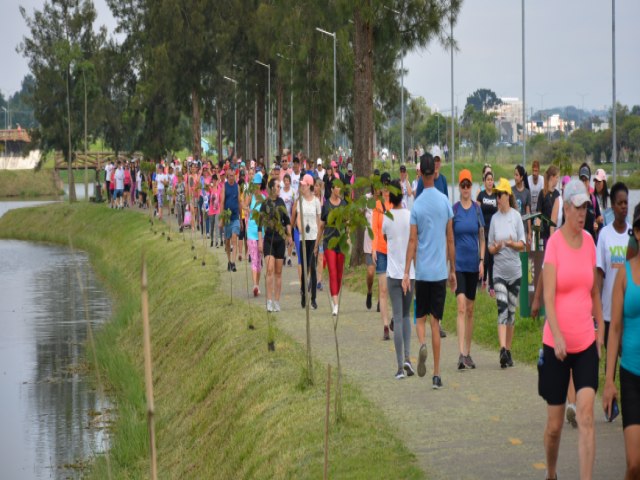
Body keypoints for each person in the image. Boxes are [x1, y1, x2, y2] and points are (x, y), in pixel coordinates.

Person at [539, 179, 605, 480]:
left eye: (585, 207)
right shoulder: (554, 245)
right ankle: (551, 472)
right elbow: (549, 299)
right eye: (577, 207)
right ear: (565, 208)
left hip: (585, 345)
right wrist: (559, 335)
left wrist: (601, 331)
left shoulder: (591, 243)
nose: (583, 214)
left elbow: (594, 292)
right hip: (557, 345)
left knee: (586, 415)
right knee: (554, 428)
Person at [403, 153, 455, 390]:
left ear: (419, 174)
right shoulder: (445, 201)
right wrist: (452, 269)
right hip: (439, 273)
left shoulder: (418, 204)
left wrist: (406, 271)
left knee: (420, 319)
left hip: (422, 271)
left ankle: (421, 344)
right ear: (434, 172)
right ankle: (436, 374)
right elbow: (450, 238)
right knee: (437, 322)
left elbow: (412, 240)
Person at [602, 206, 640, 480]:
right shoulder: (625, 275)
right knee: (634, 464)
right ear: (637, 232)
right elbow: (614, 330)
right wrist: (609, 381)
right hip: (630, 376)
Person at [488, 178, 525, 368]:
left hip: (515, 272)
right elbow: (490, 247)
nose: (497, 199)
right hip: (499, 272)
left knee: (511, 312)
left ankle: (508, 350)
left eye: (499, 195)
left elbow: (522, 244)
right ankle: (502, 349)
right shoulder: (494, 219)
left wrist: (511, 244)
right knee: (501, 309)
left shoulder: (516, 217)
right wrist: (494, 248)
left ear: (507, 196)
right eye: (495, 195)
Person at [596, 182, 630, 379]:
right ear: (612, 205)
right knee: (611, 363)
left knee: (628, 359)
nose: (624, 206)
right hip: (608, 312)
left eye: (626, 202)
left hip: (629, 312)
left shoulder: (633, 236)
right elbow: (599, 274)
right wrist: (597, 309)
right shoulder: (604, 235)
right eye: (620, 203)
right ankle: (610, 403)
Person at [383, 179, 416, 379]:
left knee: (397, 315)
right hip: (409, 274)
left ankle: (398, 367)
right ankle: (407, 358)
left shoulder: (387, 218)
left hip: (393, 274)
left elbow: (386, 238)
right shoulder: (410, 216)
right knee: (405, 316)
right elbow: (414, 241)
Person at [453, 169, 485, 369]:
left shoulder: (476, 209)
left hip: (473, 264)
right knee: (461, 306)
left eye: (468, 185)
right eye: (463, 186)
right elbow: (449, 237)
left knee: (471, 309)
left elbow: (482, 235)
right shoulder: (454, 209)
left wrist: (482, 260)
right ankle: (461, 354)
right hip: (458, 264)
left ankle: (468, 351)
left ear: (471, 187)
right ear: (459, 187)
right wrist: (449, 264)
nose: (466, 189)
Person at [258, 177, 292, 312]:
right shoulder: (265, 203)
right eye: (278, 186)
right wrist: (260, 241)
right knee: (270, 269)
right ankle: (269, 301)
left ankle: (277, 301)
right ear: (271, 188)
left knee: (278, 272)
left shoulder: (281, 202)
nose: (279, 188)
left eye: (280, 186)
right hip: (268, 240)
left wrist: (289, 236)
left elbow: (287, 221)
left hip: (280, 240)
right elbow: (260, 225)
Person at [318, 179, 347, 316]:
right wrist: (318, 242)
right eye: (337, 187)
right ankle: (335, 303)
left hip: (341, 243)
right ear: (332, 189)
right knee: (333, 272)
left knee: (340, 273)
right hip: (329, 242)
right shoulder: (326, 206)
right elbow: (321, 226)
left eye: (340, 187)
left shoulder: (344, 204)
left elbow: (348, 223)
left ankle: (335, 294)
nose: (339, 190)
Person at [372, 172, 393, 340]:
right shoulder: (377, 205)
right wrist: (373, 249)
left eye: (388, 185)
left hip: (394, 251)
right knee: (383, 289)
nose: (386, 189)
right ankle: (385, 325)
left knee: (395, 289)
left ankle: (394, 318)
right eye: (383, 186)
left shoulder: (395, 204)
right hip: (381, 250)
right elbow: (374, 229)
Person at [297, 174, 322, 310]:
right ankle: (303, 293)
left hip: (313, 238)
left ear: (309, 185)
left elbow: (318, 221)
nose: (302, 187)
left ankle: (313, 298)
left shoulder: (316, 202)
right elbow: (298, 219)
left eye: (304, 185)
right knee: (304, 267)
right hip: (303, 238)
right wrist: (301, 229)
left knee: (312, 266)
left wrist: (318, 239)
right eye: (301, 185)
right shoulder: (300, 201)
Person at [477, 171, 498, 296]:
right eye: (487, 179)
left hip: (493, 231)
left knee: (492, 258)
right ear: (484, 182)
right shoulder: (481, 195)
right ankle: (482, 280)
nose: (489, 181)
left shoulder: (496, 195)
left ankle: (492, 285)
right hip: (483, 230)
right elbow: (477, 212)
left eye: (491, 179)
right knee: (483, 257)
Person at [246, 172, 264, 296]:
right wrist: (248, 210)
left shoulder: (263, 198)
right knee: (254, 258)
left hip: (261, 232)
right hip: (251, 231)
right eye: (255, 184)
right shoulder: (250, 196)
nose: (257, 186)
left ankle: (257, 283)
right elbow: (243, 204)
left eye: (258, 184)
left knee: (259, 260)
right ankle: (254, 285)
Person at [219, 168, 240, 272]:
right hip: (227, 218)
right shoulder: (224, 187)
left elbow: (239, 202)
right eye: (230, 176)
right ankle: (228, 260)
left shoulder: (237, 186)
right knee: (227, 241)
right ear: (227, 176)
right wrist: (222, 219)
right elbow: (222, 202)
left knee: (234, 238)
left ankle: (233, 262)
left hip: (235, 217)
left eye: (233, 175)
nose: (232, 177)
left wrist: (241, 218)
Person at [536, 165, 560, 248]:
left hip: (554, 233)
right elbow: (538, 215)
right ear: (552, 177)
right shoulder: (542, 193)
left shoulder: (557, 194)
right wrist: (537, 235)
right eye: (557, 177)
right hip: (544, 234)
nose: (557, 180)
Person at [578, 163, 602, 242]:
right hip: (578, 242)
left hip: (591, 242)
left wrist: (596, 224)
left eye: (586, 180)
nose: (584, 182)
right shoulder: (575, 200)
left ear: (589, 180)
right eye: (582, 180)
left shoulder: (593, 199)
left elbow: (599, 217)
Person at [513, 165, 532, 247]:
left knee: (524, 255)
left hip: (523, 228)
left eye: (517, 175)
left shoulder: (527, 192)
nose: (515, 177)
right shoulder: (511, 191)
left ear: (521, 177)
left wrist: (529, 232)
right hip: (513, 229)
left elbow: (528, 213)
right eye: (514, 175)